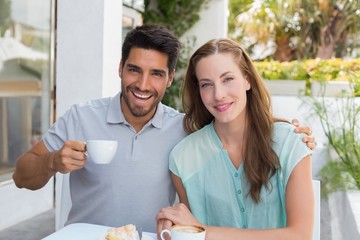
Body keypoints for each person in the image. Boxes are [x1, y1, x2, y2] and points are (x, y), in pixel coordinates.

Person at [12, 25, 314, 233]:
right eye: (134, 70)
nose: (143, 85)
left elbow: (229, 118)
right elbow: (21, 175)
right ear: (120, 68)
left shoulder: (183, 128)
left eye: (156, 74)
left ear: (169, 78)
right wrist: (52, 162)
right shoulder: (80, 117)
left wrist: (286, 131)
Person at [156, 38, 314, 240]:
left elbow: (300, 235)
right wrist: (173, 225)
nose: (218, 94)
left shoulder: (290, 143)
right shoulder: (182, 157)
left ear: (247, 79)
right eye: (206, 84)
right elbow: (188, 231)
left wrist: (204, 231)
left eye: (227, 79)